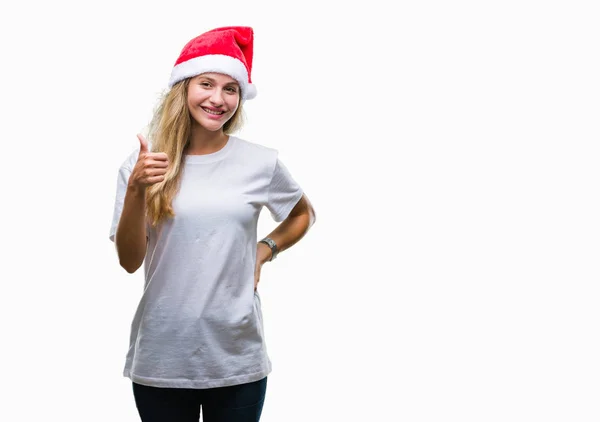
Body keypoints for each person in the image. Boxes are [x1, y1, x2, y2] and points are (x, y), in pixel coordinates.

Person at [109, 26, 316, 422]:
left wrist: (264, 250)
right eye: (207, 84)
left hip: (237, 354)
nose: (218, 99)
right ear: (183, 88)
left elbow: (302, 214)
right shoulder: (143, 166)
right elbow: (129, 261)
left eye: (230, 89)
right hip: (163, 355)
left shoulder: (261, 162)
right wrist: (136, 190)